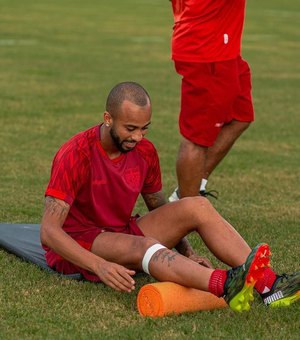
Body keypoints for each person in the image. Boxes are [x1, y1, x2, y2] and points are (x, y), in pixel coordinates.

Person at [40, 82, 299, 312]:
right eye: (130, 128)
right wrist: (99, 266)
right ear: (108, 118)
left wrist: (186, 250)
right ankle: (226, 284)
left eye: (144, 128)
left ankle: (270, 286)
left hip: (121, 230)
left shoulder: (145, 152)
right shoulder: (75, 154)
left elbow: (159, 206)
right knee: (143, 244)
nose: (137, 137)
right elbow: (49, 232)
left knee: (196, 205)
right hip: (81, 241)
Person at [168, 0, 255, 201]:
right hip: (208, 51)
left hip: (219, 47)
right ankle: (185, 212)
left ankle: (190, 189)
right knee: (197, 139)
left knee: (241, 116)